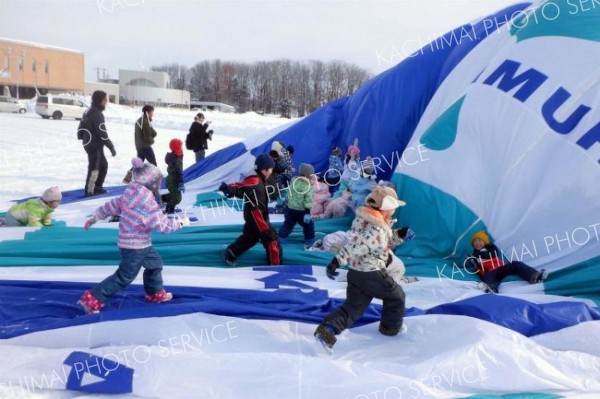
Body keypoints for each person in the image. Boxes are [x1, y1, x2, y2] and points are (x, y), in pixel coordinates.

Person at [78, 158, 189, 314]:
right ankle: (92, 300)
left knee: (155, 264)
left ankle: (154, 293)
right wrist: (181, 223)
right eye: (158, 182)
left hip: (139, 243)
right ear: (152, 183)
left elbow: (113, 205)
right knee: (124, 276)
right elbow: (163, 226)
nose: (159, 186)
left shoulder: (131, 193)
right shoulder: (147, 204)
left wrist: (96, 216)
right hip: (135, 246)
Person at [314, 185, 408, 352]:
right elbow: (359, 245)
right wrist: (337, 260)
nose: (394, 210)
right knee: (397, 296)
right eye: (393, 206)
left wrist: (399, 236)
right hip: (371, 272)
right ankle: (390, 328)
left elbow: (379, 242)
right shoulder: (376, 228)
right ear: (386, 206)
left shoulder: (371, 222)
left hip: (357, 273)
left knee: (353, 307)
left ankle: (327, 330)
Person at [219, 154, 282, 266]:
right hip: (257, 216)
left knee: (250, 237)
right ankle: (275, 265)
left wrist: (230, 189)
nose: (272, 171)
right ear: (265, 169)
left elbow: (243, 187)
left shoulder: (258, 178)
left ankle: (231, 252)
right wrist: (230, 189)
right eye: (271, 169)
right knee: (271, 239)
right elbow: (243, 187)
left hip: (252, 215)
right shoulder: (255, 180)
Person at [466, 230, 548, 293]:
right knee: (489, 277)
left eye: (480, 241)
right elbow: (479, 270)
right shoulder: (474, 256)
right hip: (490, 272)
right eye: (475, 242)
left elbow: (491, 254)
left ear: (485, 242)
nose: (477, 243)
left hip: (501, 268)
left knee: (516, 264)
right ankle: (491, 289)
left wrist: (481, 254)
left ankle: (534, 276)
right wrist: (474, 262)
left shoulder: (491, 248)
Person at [78, 90, 116, 197]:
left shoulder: (88, 111)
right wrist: (111, 147)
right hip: (94, 144)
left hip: (89, 143)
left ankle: (97, 186)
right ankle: (90, 190)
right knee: (95, 167)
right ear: (99, 100)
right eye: (105, 100)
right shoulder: (97, 114)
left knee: (103, 165)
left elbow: (81, 126)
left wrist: (82, 137)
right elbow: (102, 133)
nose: (106, 102)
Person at [278, 163, 316, 248]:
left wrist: (286, 203)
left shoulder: (293, 181)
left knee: (288, 224)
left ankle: (281, 238)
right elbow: (308, 199)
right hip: (301, 211)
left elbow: (289, 193)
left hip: (290, 209)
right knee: (308, 225)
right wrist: (307, 212)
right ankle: (309, 241)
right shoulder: (308, 185)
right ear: (308, 175)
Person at [164, 138, 185, 214]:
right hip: (174, 181)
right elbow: (178, 171)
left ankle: (171, 208)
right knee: (177, 198)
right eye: (180, 145)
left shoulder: (175, 156)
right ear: (177, 147)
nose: (182, 147)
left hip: (172, 180)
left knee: (174, 196)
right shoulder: (176, 158)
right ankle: (168, 209)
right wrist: (181, 183)